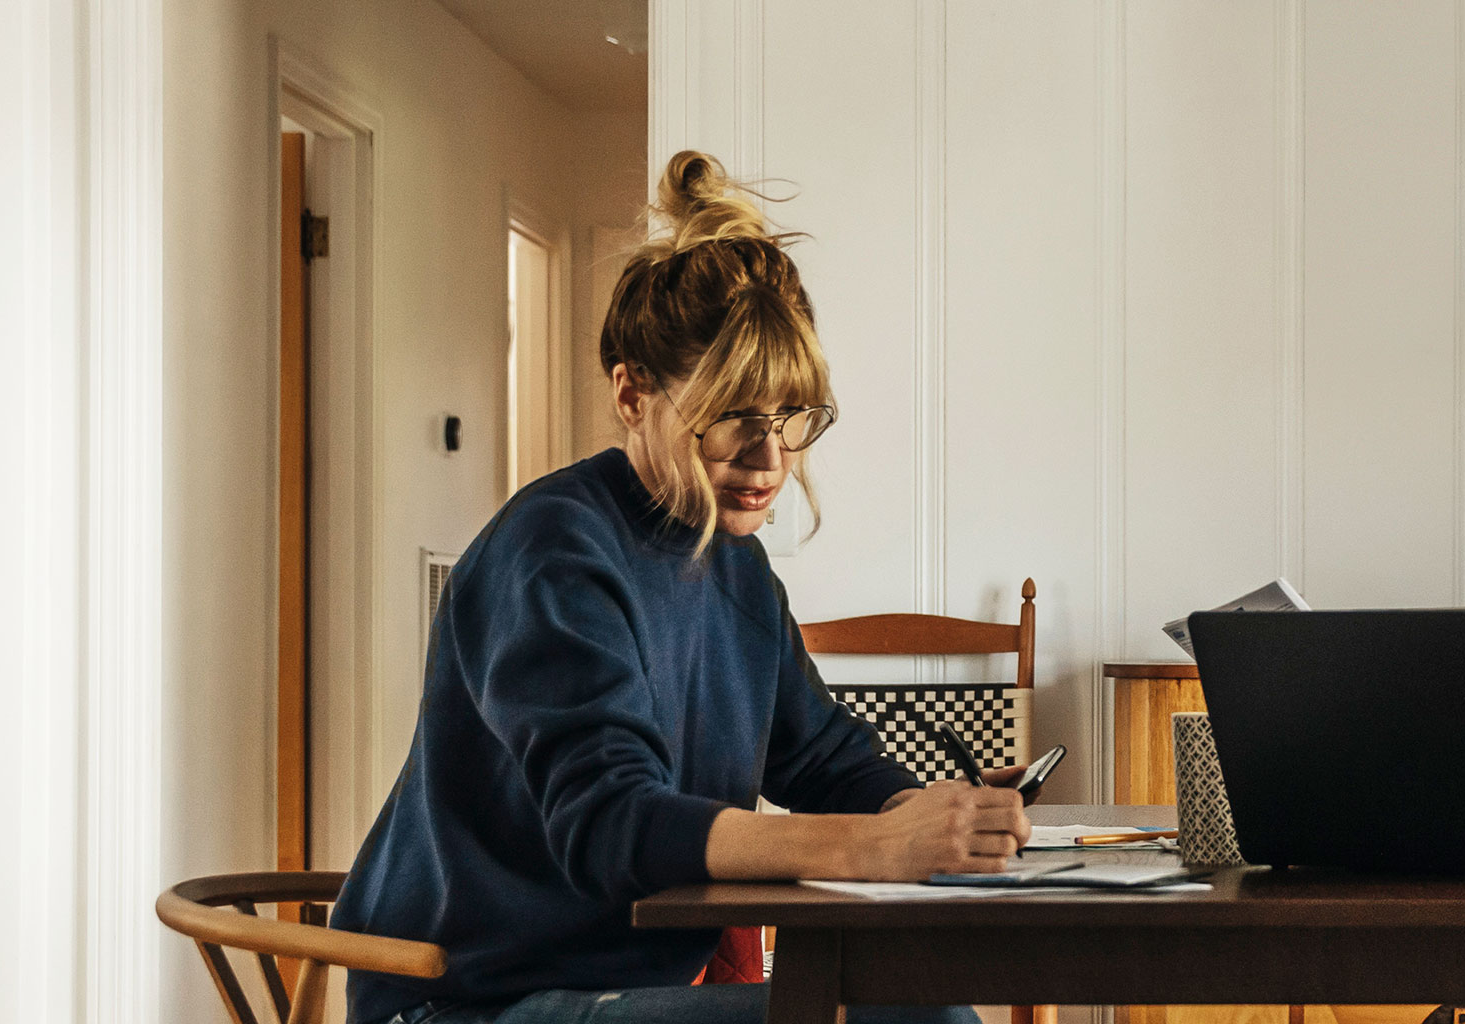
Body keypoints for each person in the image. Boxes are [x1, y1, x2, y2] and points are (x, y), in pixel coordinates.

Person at [331, 151, 1030, 1024]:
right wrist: (876, 846)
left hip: (619, 987)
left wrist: (922, 808)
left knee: (919, 1011)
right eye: (732, 416)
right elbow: (611, 824)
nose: (769, 458)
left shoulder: (735, 564)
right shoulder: (553, 553)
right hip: (475, 1000)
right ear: (633, 393)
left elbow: (814, 753)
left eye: (790, 418)